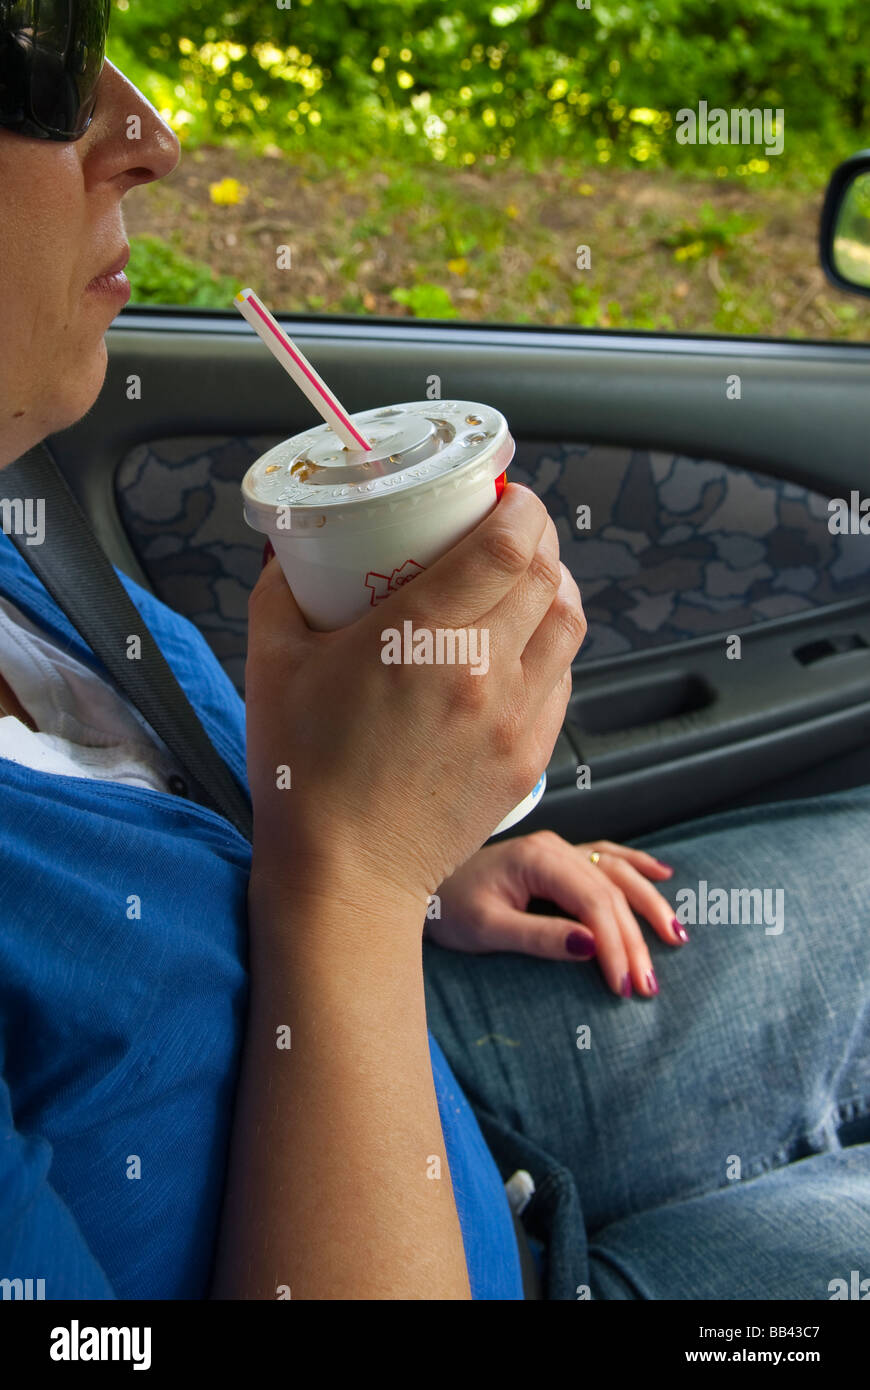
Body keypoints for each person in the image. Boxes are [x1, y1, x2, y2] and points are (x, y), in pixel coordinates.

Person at [0, 4, 868, 1302]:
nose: (147, 134)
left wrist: (415, 874)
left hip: (430, 1058)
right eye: (41, 61)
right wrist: (351, 882)